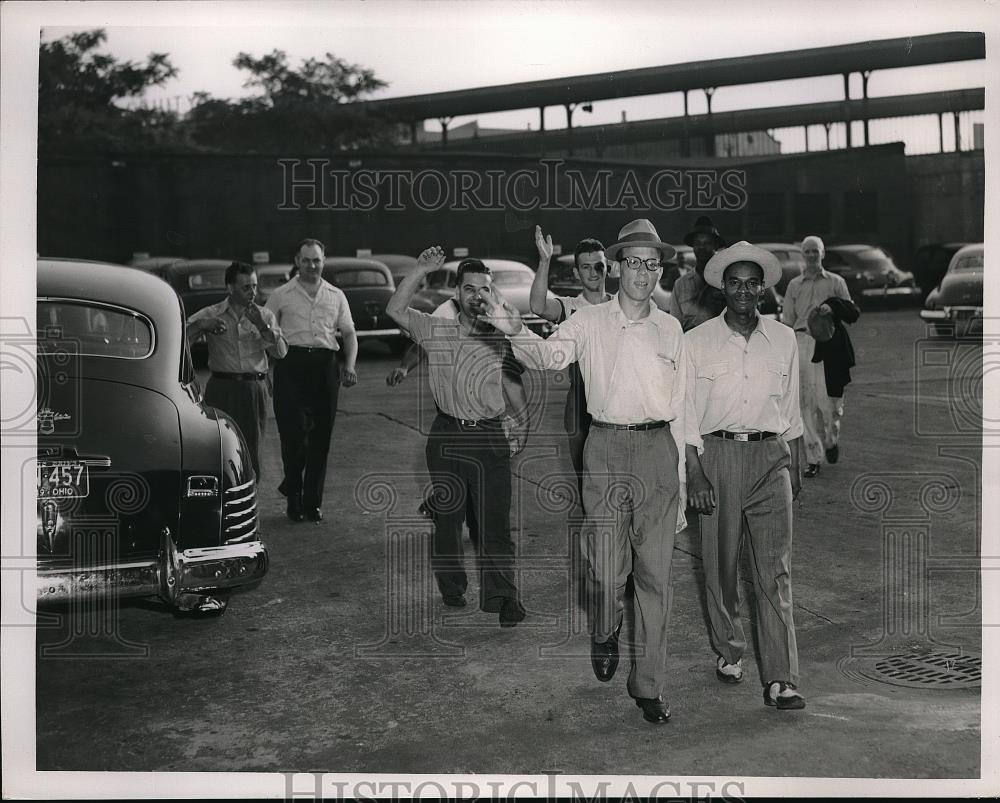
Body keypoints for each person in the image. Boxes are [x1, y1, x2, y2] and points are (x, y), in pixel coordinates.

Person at [483, 218, 686, 725]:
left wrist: (681, 479)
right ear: (617, 267)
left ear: (660, 270)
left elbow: (684, 407)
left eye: (652, 263)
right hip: (604, 449)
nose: (643, 272)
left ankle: (649, 686)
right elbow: (550, 356)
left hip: (659, 449)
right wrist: (512, 327)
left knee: (655, 577)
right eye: (635, 262)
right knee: (603, 569)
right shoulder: (590, 321)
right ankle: (604, 626)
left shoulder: (670, 327)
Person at [684, 241, 806, 711]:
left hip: (770, 459)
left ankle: (781, 678)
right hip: (716, 457)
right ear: (722, 288)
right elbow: (686, 415)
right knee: (721, 567)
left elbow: (790, 408)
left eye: (750, 283)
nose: (742, 291)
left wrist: (794, 464)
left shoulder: (784, 339)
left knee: (774, 571)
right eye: (733, 282)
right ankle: (729, 650)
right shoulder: (697, 341)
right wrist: (694, 473)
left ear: (761, 289)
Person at [387, 249, 530, 626]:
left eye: (483, 289)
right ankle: (452, 585)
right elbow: (395, 310)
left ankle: (505, 597)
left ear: (491, 293)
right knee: (448, 520)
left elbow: (512, 383)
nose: (476, 296)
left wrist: (524, 423)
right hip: (448, 435)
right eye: (469, 289)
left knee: (495, 523)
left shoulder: (500, 335)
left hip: (490, 436)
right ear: (457, 293)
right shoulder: (436, 331)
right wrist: (420, 269)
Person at [265, 238, 358, 523]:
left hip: (324, 367)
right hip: (290, 366)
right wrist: (268, 369)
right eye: (306, 260)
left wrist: (350, 365)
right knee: (293, 436)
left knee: (321, 438)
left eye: (316, 260)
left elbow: (349, 334)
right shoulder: (281, 294)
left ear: (323, 261)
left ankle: (311, 503)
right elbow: (267, 332)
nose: (312, 265)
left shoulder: (336, 295)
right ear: (297, 261)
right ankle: (293, 496)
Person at [528, 225, 613, 505]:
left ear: (608, 268)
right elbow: (538, 306)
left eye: (598, 266)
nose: (593, 272)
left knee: (618, 471)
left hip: (618, 396)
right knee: (583, 472)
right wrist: (544, 261)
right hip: (580, 399)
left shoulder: (622, 305)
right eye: (585, 267)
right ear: (576, 273)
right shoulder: (569, 307)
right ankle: (594, 524)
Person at [186, 261, 288, 476]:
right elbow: (180, 343)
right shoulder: (211, 313)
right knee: (219, 447)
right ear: (230, 288)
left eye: (254, 286)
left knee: (252, 448)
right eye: (246, 287)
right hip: (222, 388)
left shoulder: (265, 315)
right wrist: (202, 326)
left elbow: (281, 352)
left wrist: (262, 326)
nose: (252, 292)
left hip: (254, 389)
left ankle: (250, 501)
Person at [781, 235, 856, 478]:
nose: (812, 255)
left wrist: (833, 308)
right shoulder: (794, 285)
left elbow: (852, 311)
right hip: (802, 342)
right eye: (808, 251)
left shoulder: (836, 282)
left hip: (829, 347)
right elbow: (788, 322)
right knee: (805, 405)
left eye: (816, 251)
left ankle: (832, 439)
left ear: (822, 254)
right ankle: (813, 458)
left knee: (829, 404)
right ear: (803, 255)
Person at [668, 215, 728, 332]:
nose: (701, 247)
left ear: (716, 246)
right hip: (690, 347)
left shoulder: (727, 281)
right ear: (693, 247)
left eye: (707, 243)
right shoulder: (680, 284)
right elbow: (675, 327)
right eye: (698, 243)